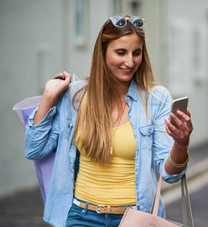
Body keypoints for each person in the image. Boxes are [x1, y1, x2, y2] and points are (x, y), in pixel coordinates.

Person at [25, 15, 193, 227]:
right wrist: (49, 96)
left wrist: (181, 143)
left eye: (136, 53)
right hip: (81, 217)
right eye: (121, 52)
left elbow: (170, 175)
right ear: (102, 52)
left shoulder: (156, 100)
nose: (130, 62)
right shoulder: (75, 97)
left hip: (136, 219)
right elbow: (34, 149)